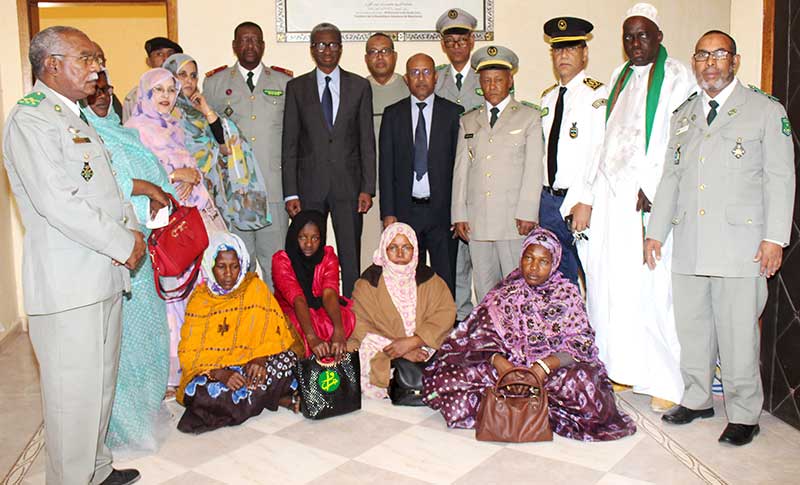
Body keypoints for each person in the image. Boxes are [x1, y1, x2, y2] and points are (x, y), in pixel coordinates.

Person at [3, 26, 144, 485]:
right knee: (71, 398)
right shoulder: (32, 119)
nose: (97, 68)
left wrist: (134, 230)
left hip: (101, 274)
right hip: (69, 283)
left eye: (96, 59)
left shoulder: (76, 115)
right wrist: (125, 245)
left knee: (98, 388)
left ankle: (96, 470)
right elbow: (59, 201)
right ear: (52, 65)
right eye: (86, 59)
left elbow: (106, 191)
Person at [645, 31, 795, 445]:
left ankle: (745, 412)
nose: (710, 63)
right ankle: (696, 398)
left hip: (740, 246)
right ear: (694, 62)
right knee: (692, 327)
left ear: (735, 61)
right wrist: (655, 232)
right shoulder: (685, 114)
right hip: (691, 241)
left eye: (719, 55)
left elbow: (781, 180)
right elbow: (670, 178)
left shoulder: (764, 111)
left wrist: (774, 239)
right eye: (702, 56)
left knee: (737, 333)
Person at [423, 228, 637, 441]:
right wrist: (501, 363)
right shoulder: (506, 292)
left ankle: (530, 407)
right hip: (508, 367)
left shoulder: (567, 294)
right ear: (521, 257)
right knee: (453, 374)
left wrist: (542, 367)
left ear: (553, 263)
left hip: (552, 370)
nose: (534, 267)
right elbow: (479, 337)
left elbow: (581, 342)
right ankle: (527, 406)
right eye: (529, 258)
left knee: (585, 384)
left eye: (543, 261)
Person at [584, 2, 695, 412]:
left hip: (648, 199)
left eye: (643, 34)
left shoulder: (678, 76)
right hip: (613, 200)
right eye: (628, 36)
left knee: (653, 288)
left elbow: (678, 137)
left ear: (659, 37)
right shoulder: (618, 76)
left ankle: (666, 379)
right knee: (612, 286)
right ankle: (625, 369)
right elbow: (606, 138)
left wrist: (654, 186)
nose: (635, 43)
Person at [83, 68, 175, 453]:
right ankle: (124, 425)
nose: (102, 96)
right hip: (114, 251)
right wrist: (148, 188)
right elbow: (97, 184)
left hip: (145, 249)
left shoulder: (124, 132)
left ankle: (146, 409)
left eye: (108, 88)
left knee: (152, 337)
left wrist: (160, 193)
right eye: (95, 90)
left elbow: (157, 175)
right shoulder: (82, 133)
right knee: (125, 347)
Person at [126, 67, 228, 390]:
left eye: (172, 90)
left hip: (193, 218)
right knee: (172, 293)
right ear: (145, 94)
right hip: (164, 224)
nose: (167, 97)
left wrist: (192, 174)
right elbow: (134, 177)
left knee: (199, 285)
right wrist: (175, 177)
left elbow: (193, 167)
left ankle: (201, 358)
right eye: (159, 91)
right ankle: (174, 371)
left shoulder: (176, 125)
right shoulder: (135, 130)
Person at [282, 22, 376, 298]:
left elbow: (366, 142)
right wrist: (291, 192)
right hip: (310, 186)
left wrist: (367, 188)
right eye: (321, 44)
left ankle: (350, 311)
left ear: (341, 48)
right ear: (312, 49)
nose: (327, 50)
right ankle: (313, 310)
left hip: (348, 186)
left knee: (350, 254)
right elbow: (290, 144)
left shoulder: (359, 86)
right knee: (309, 254)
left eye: (333, 44)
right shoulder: (296, 88)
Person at [176, 233, 304, 434]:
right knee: (202, 392)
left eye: (235, 266)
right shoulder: (200, 300)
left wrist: (260, 357)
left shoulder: (254, 287)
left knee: (288, 361)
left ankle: (250, 401)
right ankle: (277, 398)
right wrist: (220, 374)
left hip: (255, 362)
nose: (229, 274)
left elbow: (273, 330)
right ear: (210, 265)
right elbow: (190, 353)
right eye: (221, 267)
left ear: (242, 264)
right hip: (216, 369)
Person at [451, 45, 544, 302]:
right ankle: (489, 339)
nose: (492, 86)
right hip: (477, 221)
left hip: (512, 220)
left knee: (518, 288)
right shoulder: (468, 120)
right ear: (480, 82)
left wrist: (528, 212)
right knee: (484, 290)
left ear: (510, 80)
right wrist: (459, 213)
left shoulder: (529, 117)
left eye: (498, 80)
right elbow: (461, 171)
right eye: (487, 80)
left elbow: (534, 169)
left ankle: (518, 340)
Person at [204, 22, 292, 287]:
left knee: (276, 266)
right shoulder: (215, 83)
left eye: (255, 40)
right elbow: (208, 138)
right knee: (238, 264)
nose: (250, 45)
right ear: (234, 46)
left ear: (263, 45)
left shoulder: (285, 81)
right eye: (244, 40)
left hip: (273, 191)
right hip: (236, 193)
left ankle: (276, 323)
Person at [380, 53, 463, 295]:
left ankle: (445, 327)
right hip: (406, 212)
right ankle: (411, 326)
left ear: (436, 77)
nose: (421, 78)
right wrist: (388, 213)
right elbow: (385, 167)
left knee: (444, 276)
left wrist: (459, 212)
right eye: (415, 73)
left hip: (443, 213)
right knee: (407, 277)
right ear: (406, 79)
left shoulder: (454, 114)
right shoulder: (392, 114)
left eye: (426, 72)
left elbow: (460, 170)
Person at [163, 53, 270, 232]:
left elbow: (225, 146)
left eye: (193, 75)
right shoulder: (163, 114)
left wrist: (206, 110)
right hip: (178, 191)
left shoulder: (198, 112)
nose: (189, 81)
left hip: (208, 191)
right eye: (182, 74)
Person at [349, 223, 455, 399]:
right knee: (358, 352)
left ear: (415, 250)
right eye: (393, 247)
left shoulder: (429, 278)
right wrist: (401, 351)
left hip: (423, 345)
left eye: (406, 247)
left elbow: (445, 314)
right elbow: (360, 324)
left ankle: (402, 373)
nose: (399, 253)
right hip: (384, 347)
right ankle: (400, 370)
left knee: (457, 347)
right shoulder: (368, 282)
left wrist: (415, 341)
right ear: (384, 248)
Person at [539, 17, 608, 285]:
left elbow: (600, 151)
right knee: (556, 277)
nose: (563, 55)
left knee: (591, 275)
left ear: (584, 53)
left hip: (578, 199)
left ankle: (592, 327)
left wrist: (586, 200)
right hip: (549, 202)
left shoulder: (597, 95)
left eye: (570, 48)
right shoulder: (547, 97)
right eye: (558, 49)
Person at [434, 7, 484, 323]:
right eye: (450, 39)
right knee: (453, 259)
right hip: (444, 180)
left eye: (462, 38)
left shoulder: (488, 75)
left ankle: (487, 321)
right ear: (443, 44)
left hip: (480, 180)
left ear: (472, 39)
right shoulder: (434, 78)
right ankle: (459, 319)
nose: (456, 44)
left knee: (481, 254)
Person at [272, 210, 356, 358]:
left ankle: (330, 366)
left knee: (344, 318)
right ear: (294, 237)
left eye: (315, 238)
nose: (309, 244)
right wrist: (312, 338)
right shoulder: (281, 260)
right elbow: (297, 299)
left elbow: (329, 293)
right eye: (302, 237)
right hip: (292, 309)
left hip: (320, 305)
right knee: (298, 326)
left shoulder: (328, 256)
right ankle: (308, 366)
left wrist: (339, 330)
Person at [363, 32, 410, 272]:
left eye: (385, 51)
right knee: (370, 256)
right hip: (371, 189)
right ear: (366, 58)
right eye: (373, 52)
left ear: (395, 56)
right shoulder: (358, 89)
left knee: (404, 258)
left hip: (405, 189)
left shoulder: (410, 87)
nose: (379, 57)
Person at [122, 36, 182, 123]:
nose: (166, 59)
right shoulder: (135, 97)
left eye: (170, 54)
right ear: (148, 61)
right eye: (159, 54)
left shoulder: (185, 93)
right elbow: (130, 133)